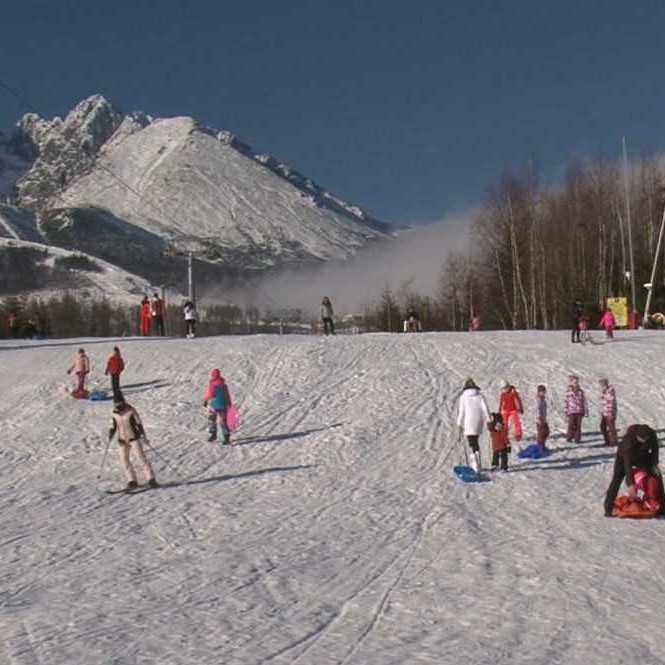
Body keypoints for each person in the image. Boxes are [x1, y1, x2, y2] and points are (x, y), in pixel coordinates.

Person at [604, 424, 664, 517]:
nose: (643, 441)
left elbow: (655, 449)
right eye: (641, 440)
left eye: (645, 440)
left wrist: (654, 464)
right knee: (617, 479)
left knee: (656, 475)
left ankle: (662, 506)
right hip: (623, 457)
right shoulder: (628, 442)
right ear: (637, 437)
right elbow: (628, 465)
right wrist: (631, 484)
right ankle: (608, 508)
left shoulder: (652, 434)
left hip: (642, 456)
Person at [108, 394, 158, 490]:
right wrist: (111, 432)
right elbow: (114, 425)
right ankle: (132, 481)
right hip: (122, 440)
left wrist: (143, 435)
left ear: (123, 401)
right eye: (115, 403)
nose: (117, 405)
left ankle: (151, 479)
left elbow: (139, 424)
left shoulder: (131, 411)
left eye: (119, 403)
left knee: (141, 458)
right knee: (124, 460)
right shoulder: (114, 413)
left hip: (133, 438)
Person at [457, 377, 491, 473]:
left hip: (468, 421)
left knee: (472, 442)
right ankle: (477, 462)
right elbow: (485, 408)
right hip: (478, 421)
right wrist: (489, 420)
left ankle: (475, 464)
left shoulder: (463, 397)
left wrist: (459, 424)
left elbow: (461, 412)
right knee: (475, 440)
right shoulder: (480, 396)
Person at [204, 368, 233, 444]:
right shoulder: (224, 385)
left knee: (212, 420)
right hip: (223, 405)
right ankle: (226, 438)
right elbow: (227, 395)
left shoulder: (212, 384)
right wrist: (229, 403)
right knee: (223, 422)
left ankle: (213, 435)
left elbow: (210, 394)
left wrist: (206, 400)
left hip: (213, 405)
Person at [498, 380, 523, 449]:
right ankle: (504, 434)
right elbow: (501, 402)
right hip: (505, 410)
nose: (505, 389)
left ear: (509, 386)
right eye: (503, 388)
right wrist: (499, 411)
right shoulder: (503, 394)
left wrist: (520, 408)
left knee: (516, 421)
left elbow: (518, 400)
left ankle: (518, 434)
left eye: (506, 387)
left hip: (513, 410)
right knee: (504, 422)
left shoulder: (513, 392)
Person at [564, 375, 587, 443]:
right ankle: (569, 437)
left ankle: (577, 439)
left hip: (579, 411)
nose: (576, 384)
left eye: (577, 382)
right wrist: (566, 411)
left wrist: (585, 411)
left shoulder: (581, 392)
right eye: (574, 382)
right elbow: (566, 402)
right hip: (571, 411)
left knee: (578, 425)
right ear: (571, 383)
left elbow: (584, 402)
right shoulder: (568, 392)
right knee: (571, 424)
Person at [599, 378, 618, 446]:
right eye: (601, 384)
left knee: (611, 427)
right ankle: (607, 441)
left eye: (603, 384)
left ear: (606, 384)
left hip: (610, 413)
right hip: (604, 413)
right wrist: (602, 411)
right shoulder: (604, 391)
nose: (601, 386)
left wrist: (610, 413)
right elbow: (603, 403)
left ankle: (613, 442)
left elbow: (611, 403)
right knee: (602, 427)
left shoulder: (610, 391)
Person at [535, 384, 550, 453]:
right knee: (542, 433)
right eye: (542, 391)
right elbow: (537, 409)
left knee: (546, 432)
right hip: (540, 419)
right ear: (538, 392)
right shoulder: (538, 400)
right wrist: (539, 418)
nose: (543, 393)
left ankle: (542, 445)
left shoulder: (543, 399)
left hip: (543, 418)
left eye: (544, 391)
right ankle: (540, 447)